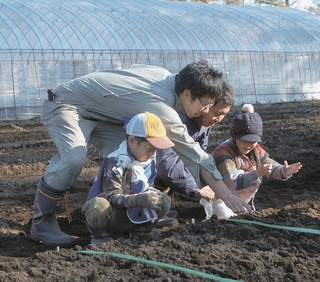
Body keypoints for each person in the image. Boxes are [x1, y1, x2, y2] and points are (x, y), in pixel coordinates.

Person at [30, 60, 251, 247]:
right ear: (187, 93)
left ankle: (134, 214)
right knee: (73, 158)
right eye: (205, 104)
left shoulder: (165, 76)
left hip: (103, 114)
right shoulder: (161, 106)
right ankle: (42, 222)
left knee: (137, 150)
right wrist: (228, 197)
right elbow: (195, 155)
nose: (205, 111)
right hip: (67, 104)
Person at [82, 112, 175, 245]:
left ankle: (142, 231)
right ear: (132, 141)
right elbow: (110, 196)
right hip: (112, 216)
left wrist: (150, 195)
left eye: (155, 149)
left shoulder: (150, 161)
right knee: (98, 205)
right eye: (149, 148)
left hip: (135, 213)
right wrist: (137, 200)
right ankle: (101, 237)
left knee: (163, 200)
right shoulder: (116, 162)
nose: (152, 153)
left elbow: (149, 185)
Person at [213, 104, 302, 210]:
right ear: (234, 136)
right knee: (250, 173)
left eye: (253, 141)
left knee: (255, 170)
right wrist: (257, 173)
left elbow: (269, 165)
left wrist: (283, 171)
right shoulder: (224, 152)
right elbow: (230, 182)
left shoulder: (255, 150)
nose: (248, 145)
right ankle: (226, 210)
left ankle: (240, 207)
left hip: (238, 198)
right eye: (244, 140)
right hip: (218, 199)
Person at [155, 81, 234, 202]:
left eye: (224, 114)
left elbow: (199, 156)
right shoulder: (178, 119)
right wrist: (195, 188)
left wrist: (209, 185)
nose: (220, 119)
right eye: (217, 113)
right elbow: (166, 163)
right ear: (207, 104)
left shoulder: (205, 122)